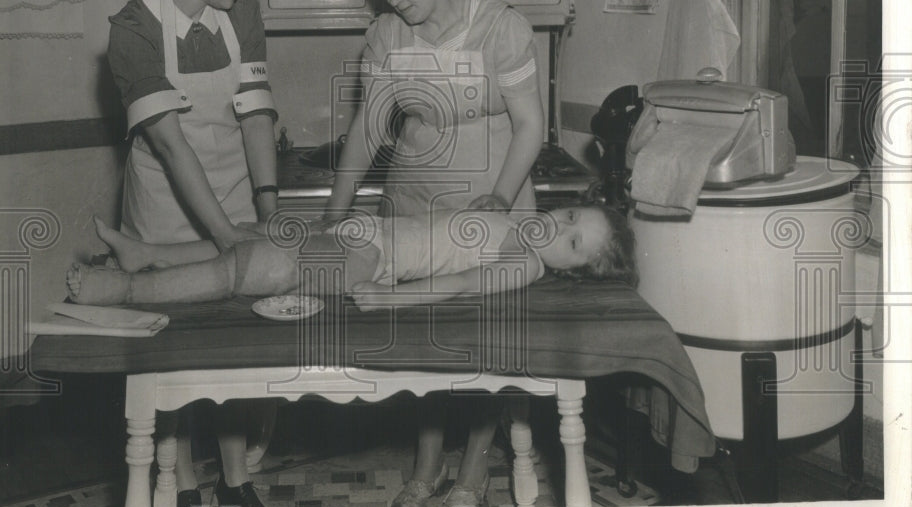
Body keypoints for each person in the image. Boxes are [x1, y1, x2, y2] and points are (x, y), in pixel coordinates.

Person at [322, 0, 547, 507]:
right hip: (414, 195)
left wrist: (500, 197)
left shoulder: (501, 26)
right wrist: (334, 217)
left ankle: (474, 465)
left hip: (491, 194)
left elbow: (531, 127)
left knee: (482, 333)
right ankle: (427, 461)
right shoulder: (387, 36)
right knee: (419, 333)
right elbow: (368, 131)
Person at [107, 0, 278, 507]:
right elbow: (172, 149)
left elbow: (257, 114)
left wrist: (265, 207)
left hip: (234, 189)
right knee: (171, 350)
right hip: (165, 203)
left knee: (233, 345)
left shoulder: (244, 11)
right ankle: (176, 485)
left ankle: (235, 481)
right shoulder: (133, 30)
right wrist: (227, 240)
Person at [67, 204, 637, 308]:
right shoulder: (520, 224)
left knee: (256, 267)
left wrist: (392, 299)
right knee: (260, 232)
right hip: (375, 232)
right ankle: (147, 252)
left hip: (375, 263)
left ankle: (121, 290)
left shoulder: (523, 264)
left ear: (573, 269)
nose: (556, 229)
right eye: (569, 217)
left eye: (571, 242)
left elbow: (461, 284)